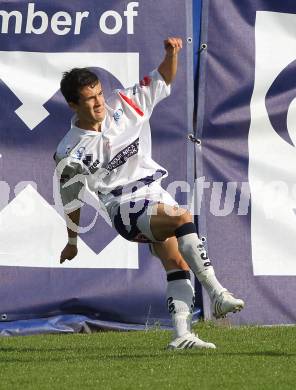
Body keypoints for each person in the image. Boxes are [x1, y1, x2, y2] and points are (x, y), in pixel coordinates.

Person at [54, 37, 244, 350]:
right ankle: (218, 293)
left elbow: (162, 78)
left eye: (100, 94)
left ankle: (182, 336)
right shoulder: (69, 152)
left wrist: (171, 54)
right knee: (182, 216)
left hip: (153, 193)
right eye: (89, 99)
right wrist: (72, 240)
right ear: (73, 105)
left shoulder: (125, 106)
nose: (99, 102)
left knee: (178, 264)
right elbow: (70, 197)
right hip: (123, 207)